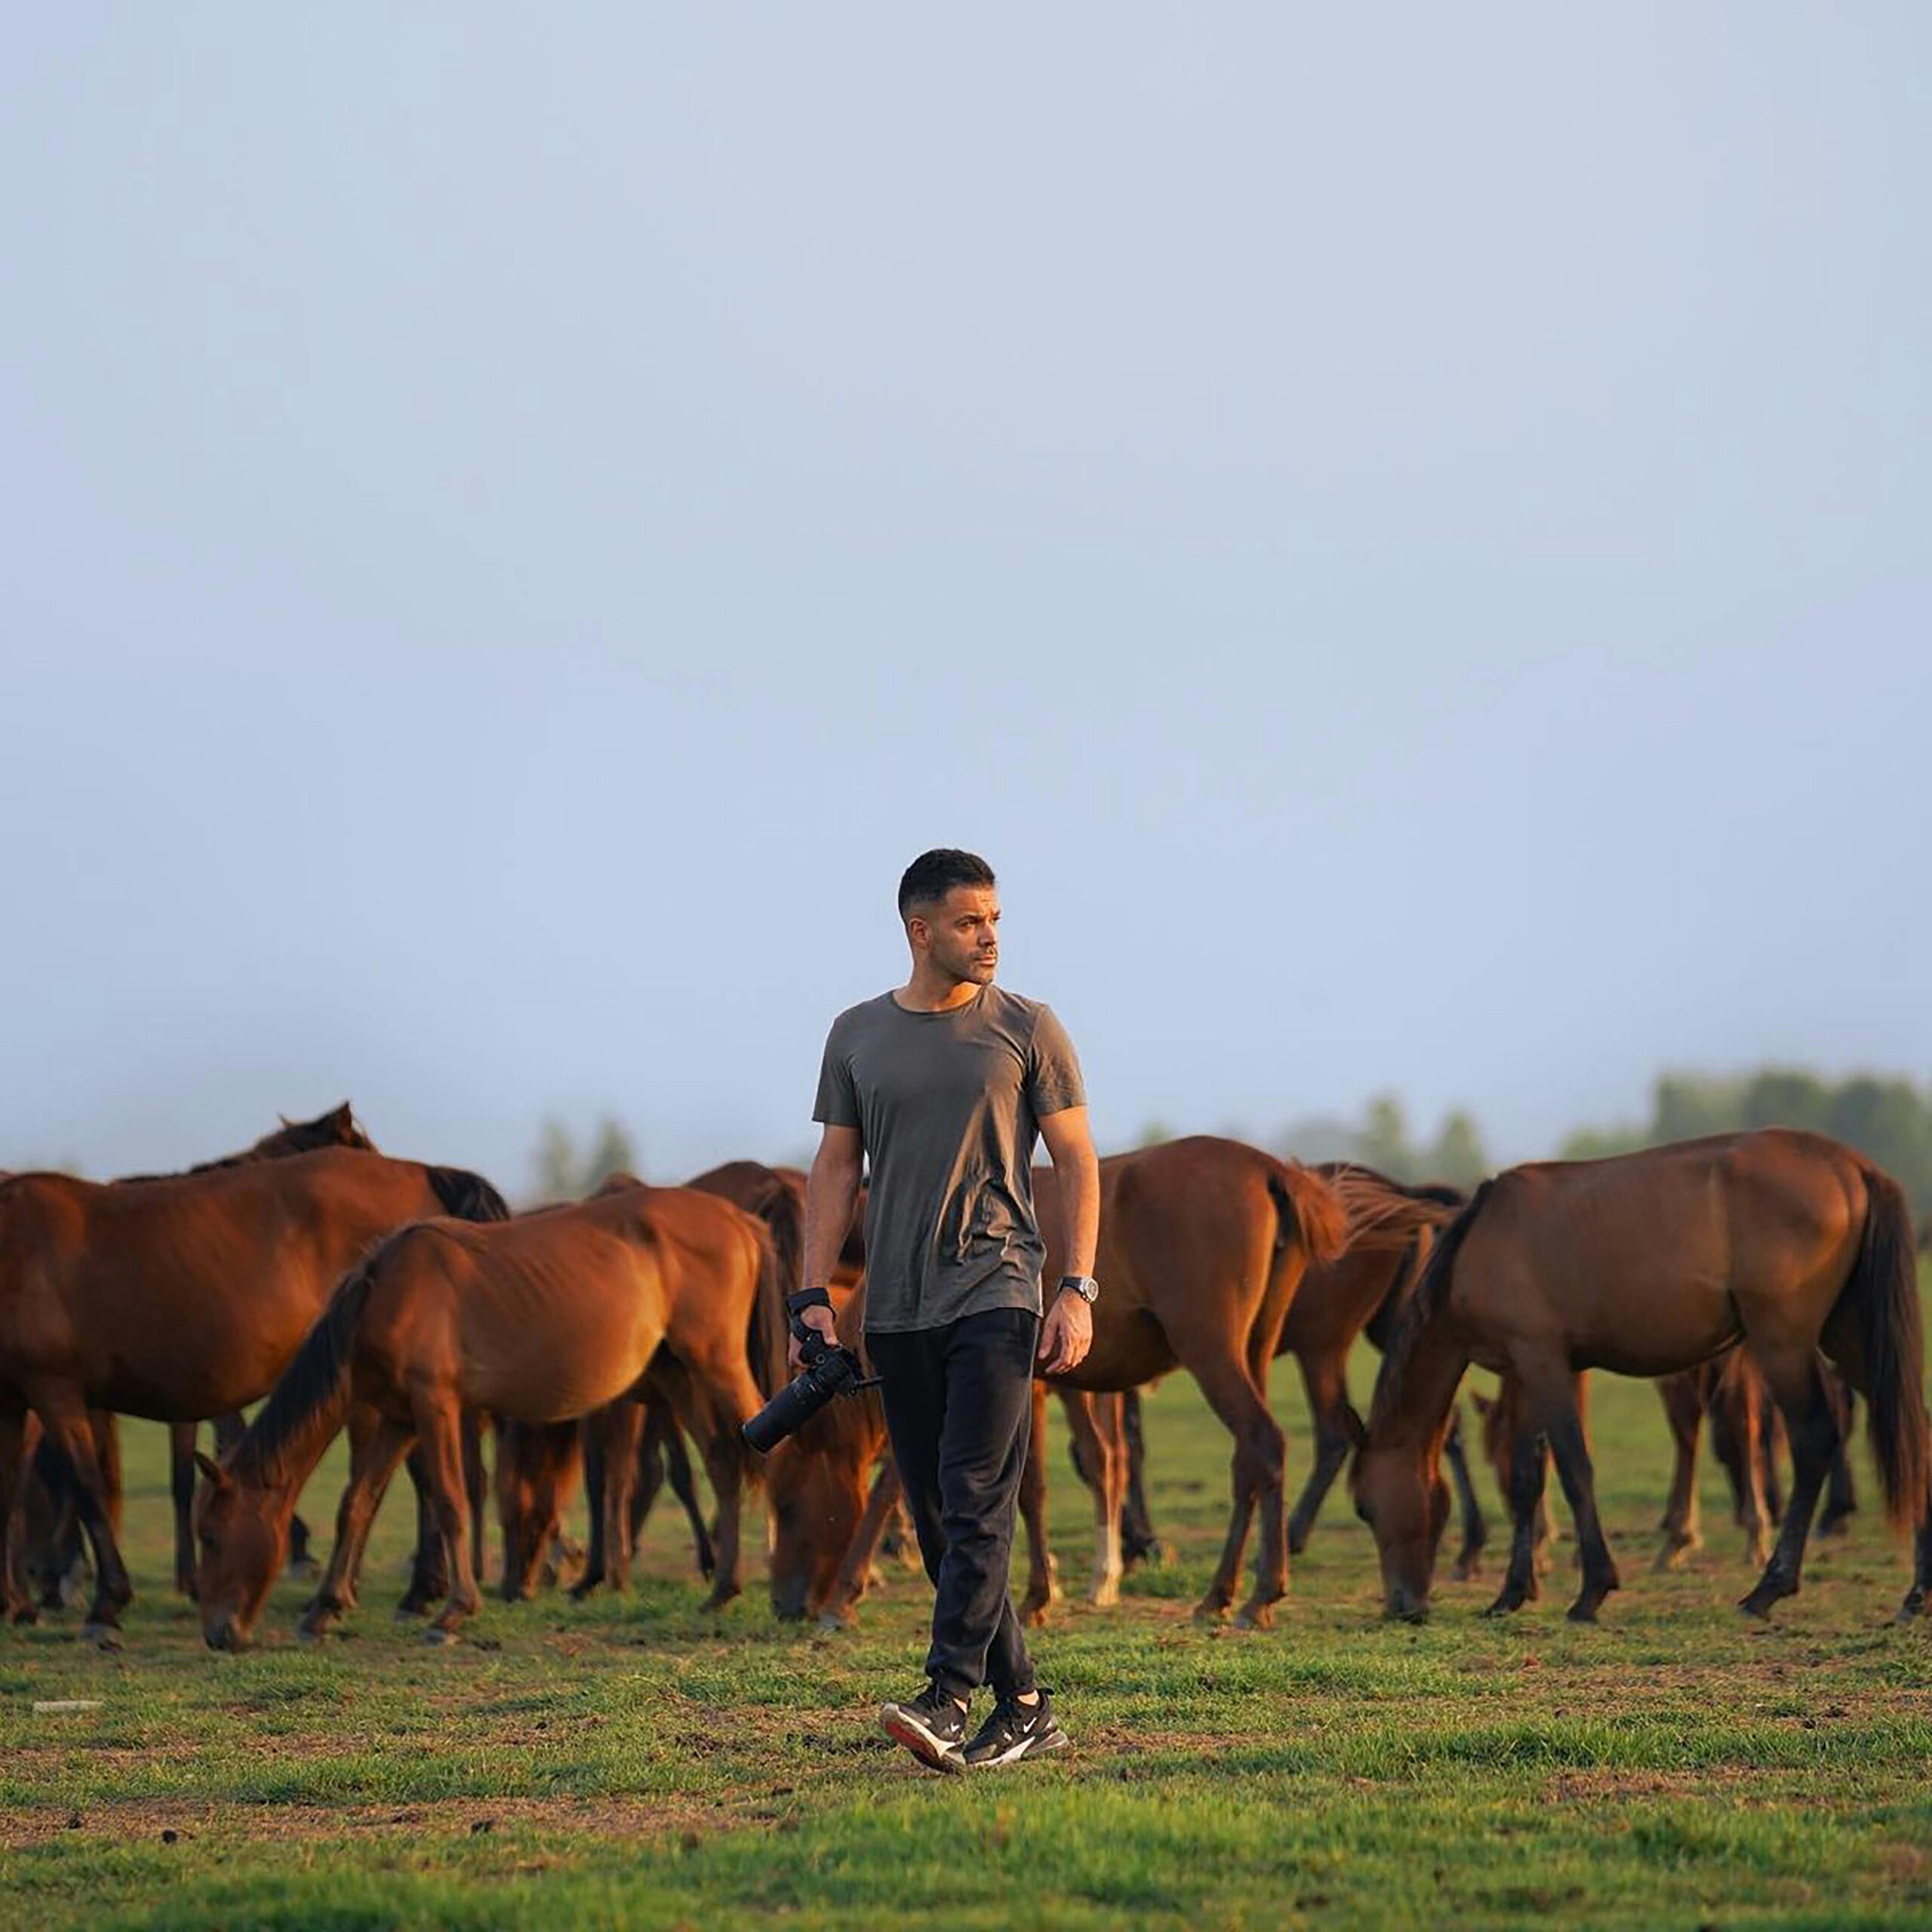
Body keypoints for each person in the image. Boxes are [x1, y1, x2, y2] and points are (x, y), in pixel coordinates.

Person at [796, 848, 1101, 1772]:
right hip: (894, 1305)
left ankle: (947, 1695)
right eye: (971, 923)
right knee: (934, 1512)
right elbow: (835, 1170)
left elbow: (1078, 1161)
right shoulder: (855, 1034)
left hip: (997, 1289)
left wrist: (1076, 1287)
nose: (990, 938)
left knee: (974, 1493)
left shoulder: (1028, 1026)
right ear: (919, 929)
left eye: (997, 921)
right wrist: (811, 1294)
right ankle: (1028, 1703)